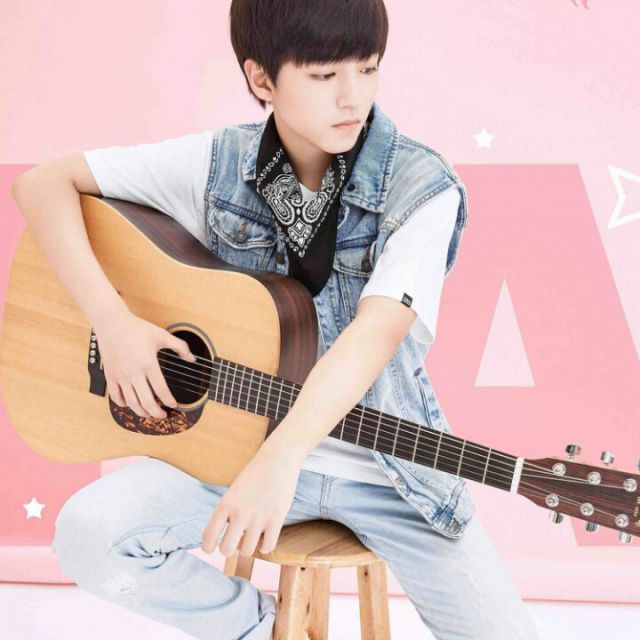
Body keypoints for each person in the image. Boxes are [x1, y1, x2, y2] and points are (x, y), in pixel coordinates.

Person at [10, 1, 540, 638]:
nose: (352, 97)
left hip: (389, 471)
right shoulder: (220, 164)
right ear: (262, 78)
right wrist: (114, 324)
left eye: (368, 68)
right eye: (324, 75)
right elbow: (44, 184)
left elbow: (375, 334)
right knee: (88, 535)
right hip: (234, 454)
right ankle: (262, 629)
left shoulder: (422, 186)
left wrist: (281, 459)